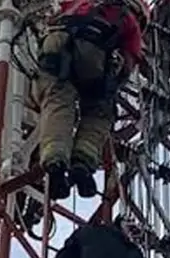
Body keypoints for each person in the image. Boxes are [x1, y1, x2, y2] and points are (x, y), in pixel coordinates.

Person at [35, 0, 149, 200]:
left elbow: (51, 15)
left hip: (55, 42)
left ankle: (55, 164)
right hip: (93, 49)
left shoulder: (79, 2)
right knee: (100, 111)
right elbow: (128, 63)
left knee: (57, 100)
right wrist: (111, 85)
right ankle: (82, 163)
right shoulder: (128, 19)